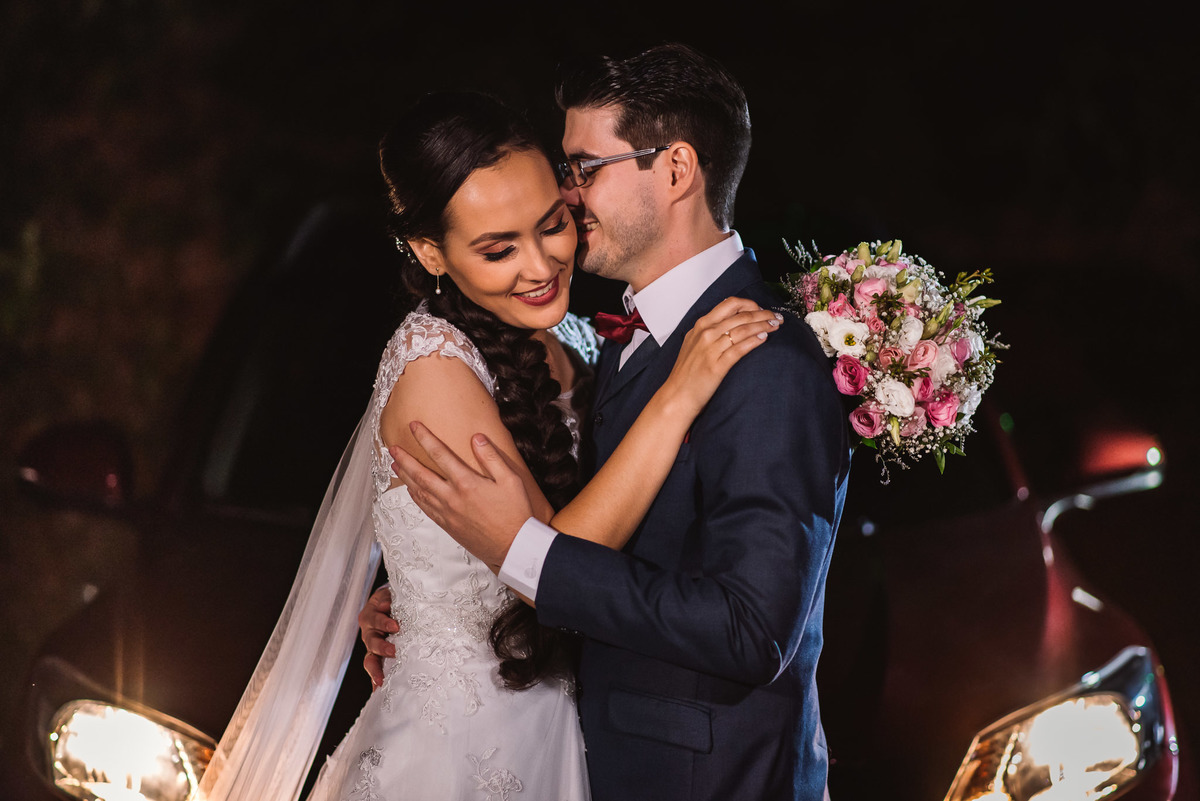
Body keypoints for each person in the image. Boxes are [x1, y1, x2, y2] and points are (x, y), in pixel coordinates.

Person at [196, 90, 781, 801]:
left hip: (563, 729)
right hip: (453, 756)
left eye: (552, 225)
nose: (540, 266)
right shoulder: (433, 366)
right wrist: (678, 396)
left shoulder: (573, 337)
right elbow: (556, 561)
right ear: (429, 252)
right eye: (499, 249)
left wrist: (413, 585)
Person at [372, 44, 852, 800]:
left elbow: (752, 628)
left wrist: (520, 555)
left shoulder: (759, 355)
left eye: (584, 168)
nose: (569, 197)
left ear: (676, 169)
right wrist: (429, 587)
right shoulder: (609, 342)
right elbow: (583, 510)